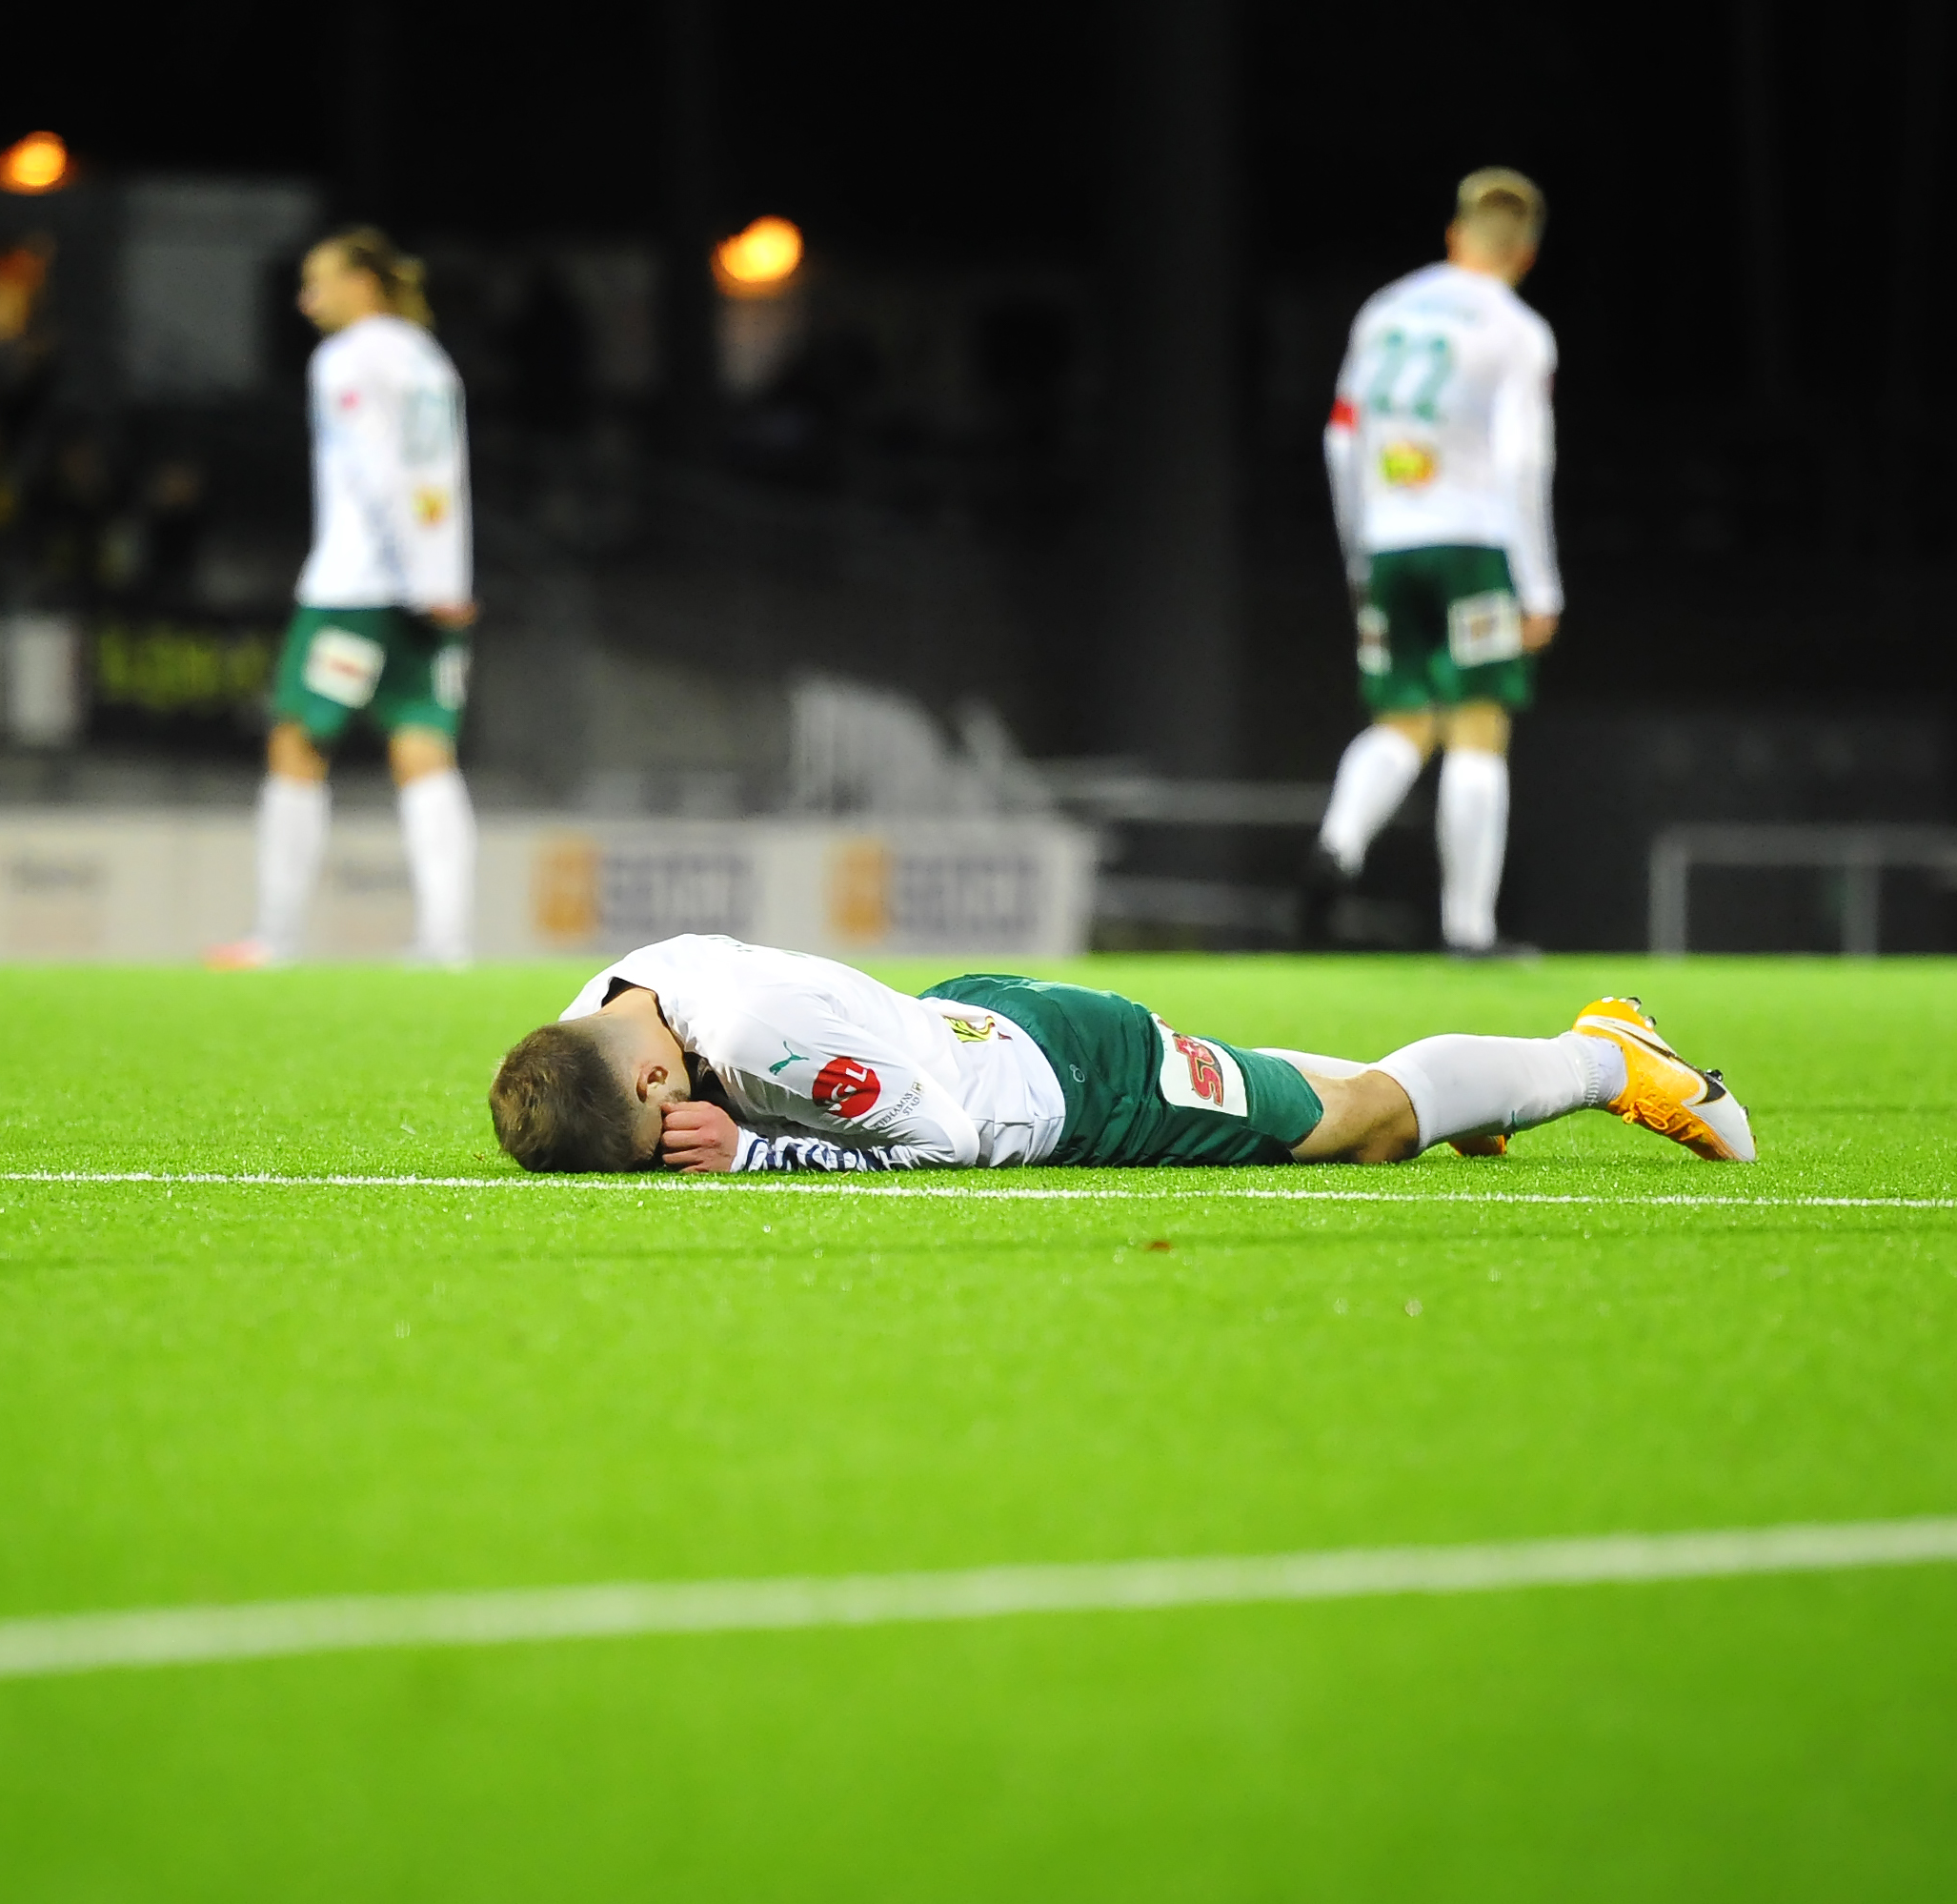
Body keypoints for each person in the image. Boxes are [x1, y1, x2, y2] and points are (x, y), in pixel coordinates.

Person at [489, 935, 1754, 1174]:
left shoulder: (749, 1038)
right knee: (1299, 1088)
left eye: (654, 1139)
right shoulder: (612, 996)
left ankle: (1604, 1056)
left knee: (1366, 1123)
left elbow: (944, 1139)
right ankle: (1487, 1094)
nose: (667, 1149)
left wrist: (752, 1156)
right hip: (975, 1018)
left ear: (654, 1080)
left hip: (1068, 1084)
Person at [206, 227, 476, 969]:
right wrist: (442, 581)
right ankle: (446, 943)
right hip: (433, 589)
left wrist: (414, 576)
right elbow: (436, 480)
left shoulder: (348, 358)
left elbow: (380, 471)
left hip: (356, 585)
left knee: (297, 739)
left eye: (317, 282)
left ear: (362, 282)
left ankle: (276, 936)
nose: (305, 300)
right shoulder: (427, 360)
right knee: (423, 746)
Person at [1311, 168, 1559, 960]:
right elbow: (1522, 458)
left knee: (1403, 719)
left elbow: (1341, 439)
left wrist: (1359, 551)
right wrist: (1539, 583)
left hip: (1388, 538)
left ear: (1453, 235)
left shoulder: (1383, 310)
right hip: (1472, 541)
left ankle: (1336, 845)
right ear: (1524, 254)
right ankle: (1468, 929)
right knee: (1477, 722)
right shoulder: (1516, 331)